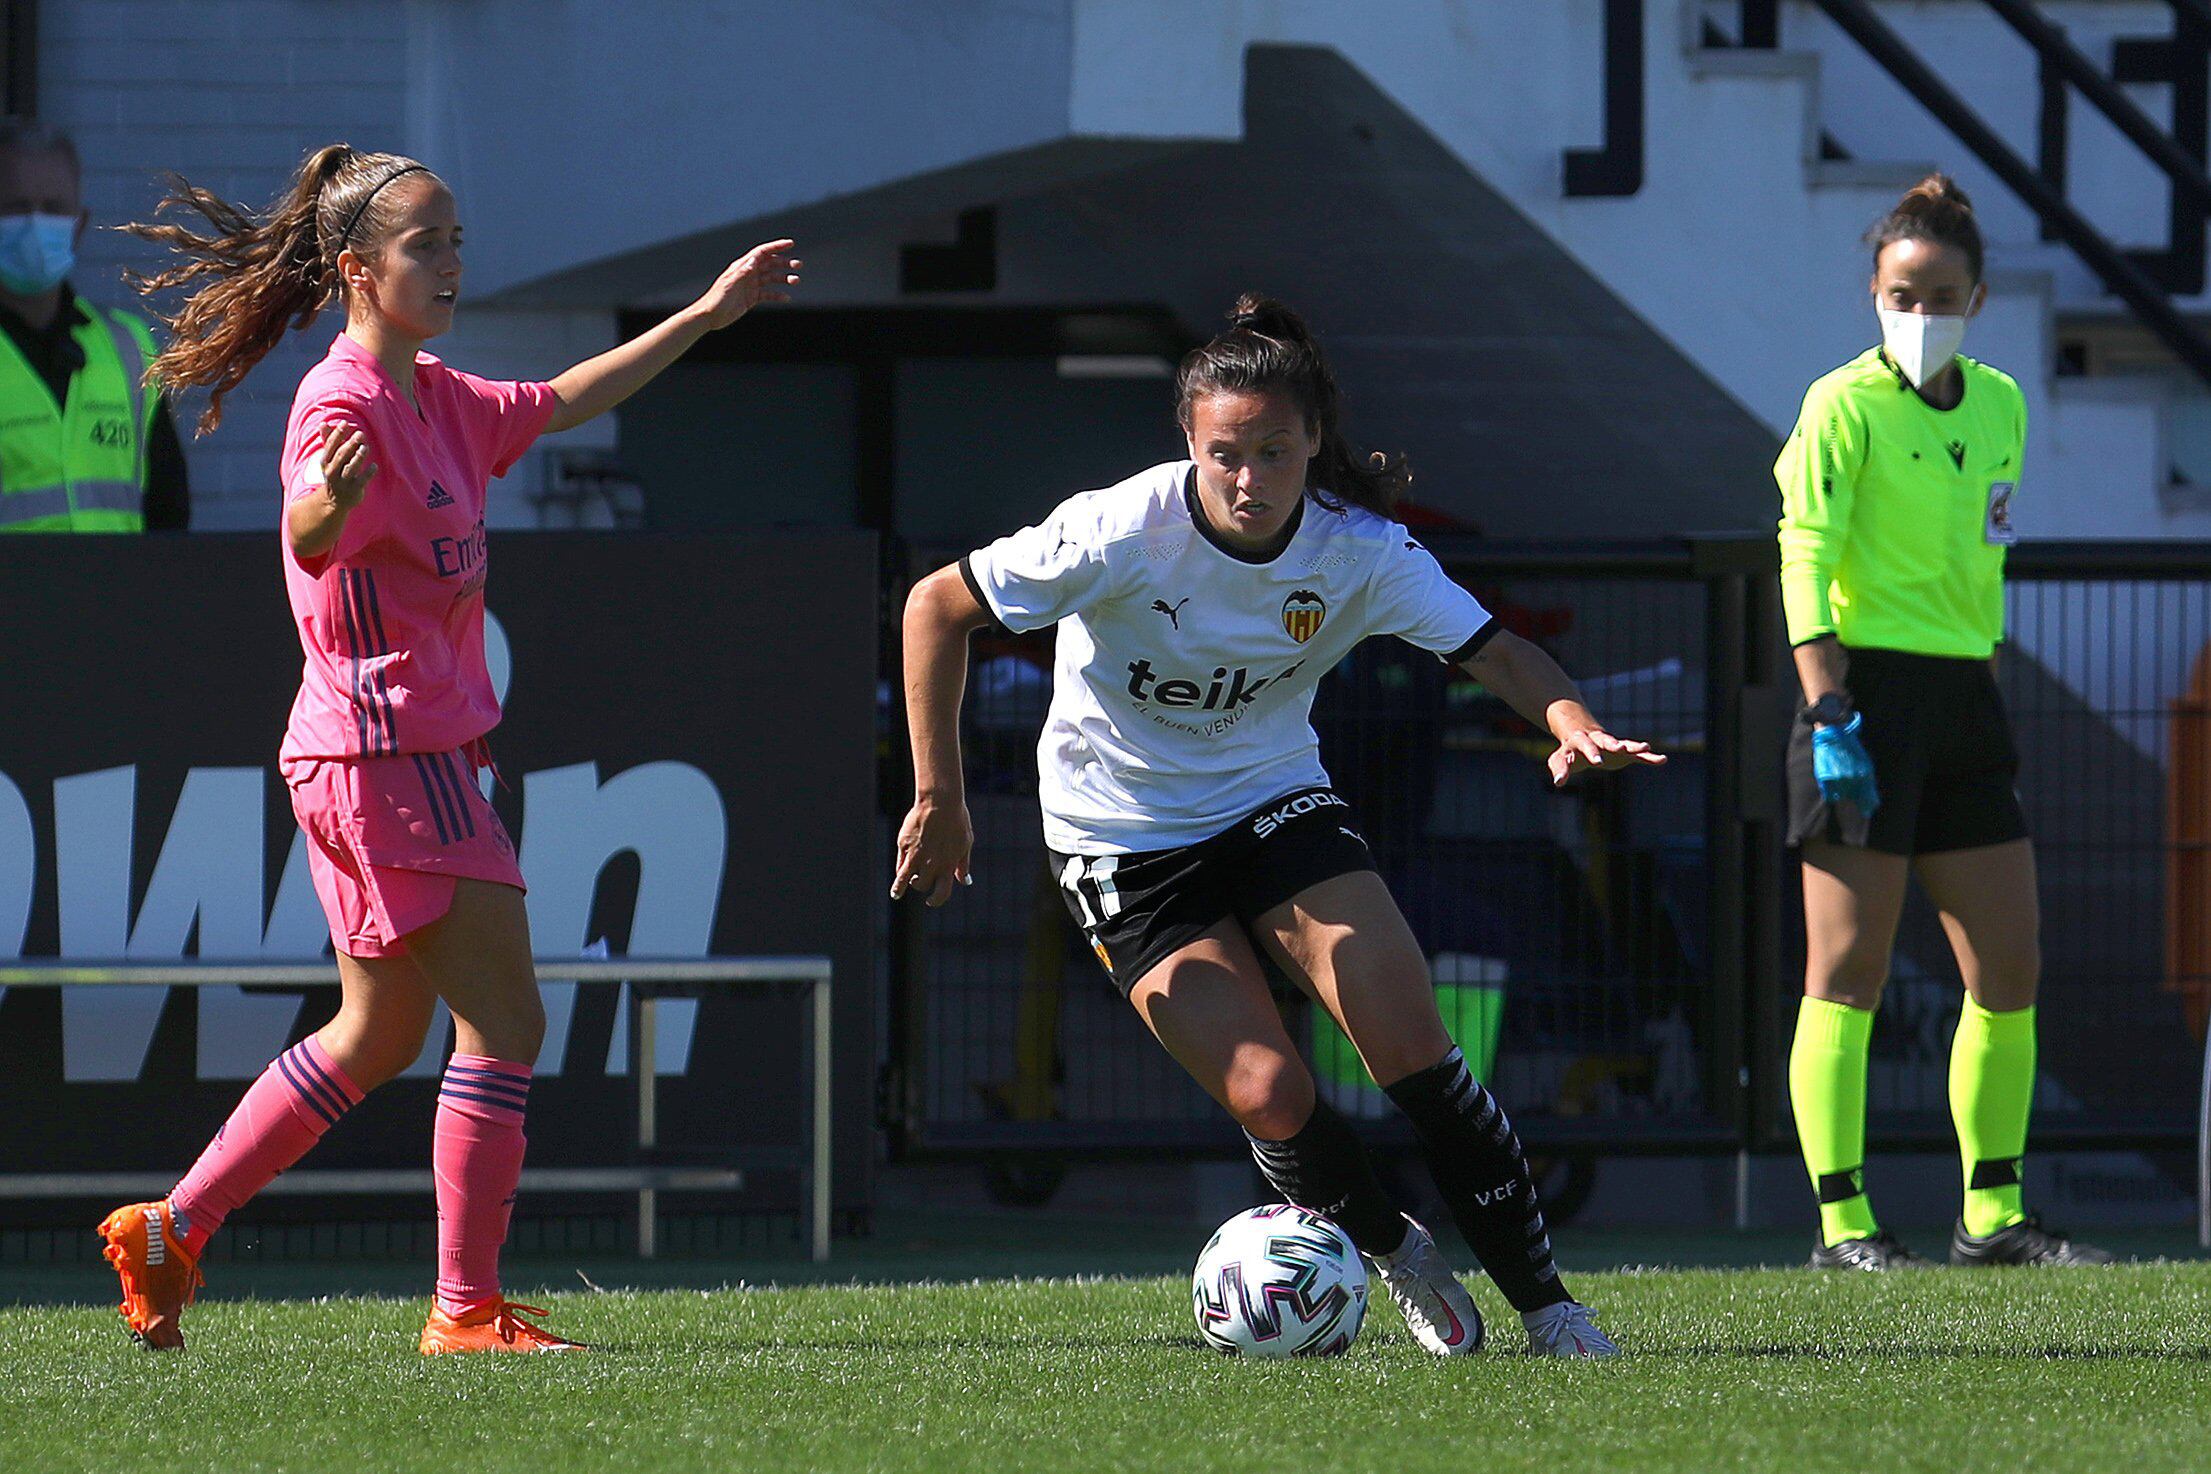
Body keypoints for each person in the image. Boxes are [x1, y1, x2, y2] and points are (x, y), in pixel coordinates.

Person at [92, 144, 800, 1352]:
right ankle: (463, 1312)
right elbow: (309, 526)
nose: (454, 262)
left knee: (375, 1034)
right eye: (429, 242)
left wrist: (706, 311)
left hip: (379, 759)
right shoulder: (344, 402)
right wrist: (317, 512)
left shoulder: (442, 397)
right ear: (360, 269)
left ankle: (176, 1227)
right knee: (508, 1022)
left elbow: (571, 394)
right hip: (387, 758)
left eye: (458, 238)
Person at [895, 295, 1663, 1356]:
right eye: (1225, 455)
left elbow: (1494, 651)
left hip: (1272, 803)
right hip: (1120, 838)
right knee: (1268, 1089)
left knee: (1414, 1051)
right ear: (1188, 446)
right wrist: (941, 795)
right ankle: (1394, 1251)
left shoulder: (1362, 550)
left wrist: (1572, 720)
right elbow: (935, 605)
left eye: (1274, 451)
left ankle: (1552, 1309)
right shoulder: (1117, 530)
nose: (1248, 478)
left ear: (1314, 445)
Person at [1777, 174, 2109, 1270]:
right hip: (1860, 698)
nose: (1918, 315)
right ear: (1873, 293)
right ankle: (1843, 1223)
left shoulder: (2004, 403)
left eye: (1940, 296)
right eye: (1899, 294)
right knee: (1849, 971)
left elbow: (1985, 543)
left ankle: (1992, 1216)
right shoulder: (1840, 404)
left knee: (2009, 961)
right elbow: (1807, 556)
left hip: (1965, 698)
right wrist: (1828, 707)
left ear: (1977, 299)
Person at [0, 117, 187, 531]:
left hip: (115, 593)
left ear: (79, 224)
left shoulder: (129, 348)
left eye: (52, 209)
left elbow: (168, 508)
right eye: (15, 208)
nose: (35, 223)